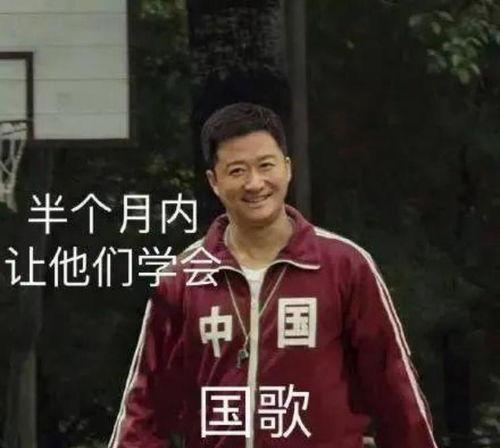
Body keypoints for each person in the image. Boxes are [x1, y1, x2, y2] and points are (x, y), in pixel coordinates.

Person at [108, 103, 439, 448]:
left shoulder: (344, 265)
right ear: (214, 182)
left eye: (266, 165)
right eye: (237, 170)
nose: (255, 183)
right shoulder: (183, 278)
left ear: (287, 168)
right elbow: (144, 408)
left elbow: (395, 390)